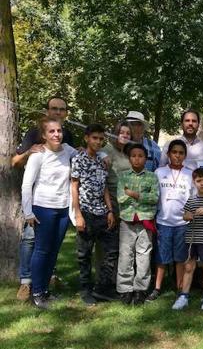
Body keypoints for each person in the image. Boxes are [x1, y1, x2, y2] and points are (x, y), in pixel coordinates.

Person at [13, 96, 74, 301]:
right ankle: (36, 292)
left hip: (63, 209)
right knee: (41, 250)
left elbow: (87, 154)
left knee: (54, 251)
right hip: (43, 208)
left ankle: (46, 290)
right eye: (52, 131)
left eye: (59, 131)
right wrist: (28, 212)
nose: (56, 134)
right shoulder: (38, 154)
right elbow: (26, 185)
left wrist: (103, 156)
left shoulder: (68, 150)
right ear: (44, 135)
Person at [71, 124, 118, 305]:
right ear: (86, 138)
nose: (98, 142)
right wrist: (78, 214)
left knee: (111, 251)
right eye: (94, 138)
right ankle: (85, 289)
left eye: (100, 138)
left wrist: (110, 210)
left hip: (102, 212)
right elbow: (74, 187)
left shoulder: (102, 161)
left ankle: (102, 288)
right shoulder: (78, 160)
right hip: (86, 212)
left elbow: (104, 187)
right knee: (84, 254)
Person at [147, 140, 194, 301]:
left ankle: (180, 287)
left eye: (181, 153)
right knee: (161, 257)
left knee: (180, 258)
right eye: (174, 152)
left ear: (185, 156)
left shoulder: (190, 174)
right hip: (163, 221)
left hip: (182, 223)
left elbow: (193, 198)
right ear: (168, 154)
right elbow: (154, 195)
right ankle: (157, 288)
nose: (177, 155)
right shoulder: (159, 172)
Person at [172, 167, 203, 311]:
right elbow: (185, 215)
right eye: (199, 180)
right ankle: (184, 296)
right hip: (191, 238)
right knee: (188, 267)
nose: (202, 183)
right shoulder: (191, 199)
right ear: (194, 182)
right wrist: (187, 216)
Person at [116, 143, 160, 306]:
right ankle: (125, 289)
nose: (137, 158)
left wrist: (133, 194)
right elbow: (120, 197)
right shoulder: (123, 176)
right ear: (129, 158)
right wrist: (141, 196)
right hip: (127, 221)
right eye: (133, 155)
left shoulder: (152, 177)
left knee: (144, 255)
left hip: (145, 220)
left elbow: (154, 198)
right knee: (126, 255)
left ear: (145, 158)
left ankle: (140, 289)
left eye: (140, 156)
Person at [102, 121, 132, 222]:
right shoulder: (108, 149)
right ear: (116, 134)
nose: (125, 135)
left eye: (128, 133)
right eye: (122, 132)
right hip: (112, 201)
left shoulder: (127, 152)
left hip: (125, 202)